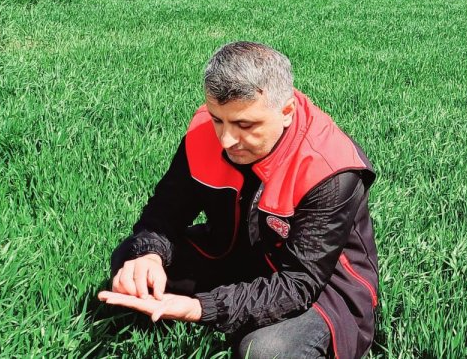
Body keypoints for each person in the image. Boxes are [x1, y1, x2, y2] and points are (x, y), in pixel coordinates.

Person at [99, 41, 379, 359]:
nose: (227, 139)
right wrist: (148, 256)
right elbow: (165, 210)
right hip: (237, 253)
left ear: (286, 111)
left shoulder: (330, 167)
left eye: (245, 125)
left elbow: (300, 283)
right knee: (131, 261)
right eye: (218, 119)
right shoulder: (205, 131)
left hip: (323, 286)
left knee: (263, 352)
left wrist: (198, 308)